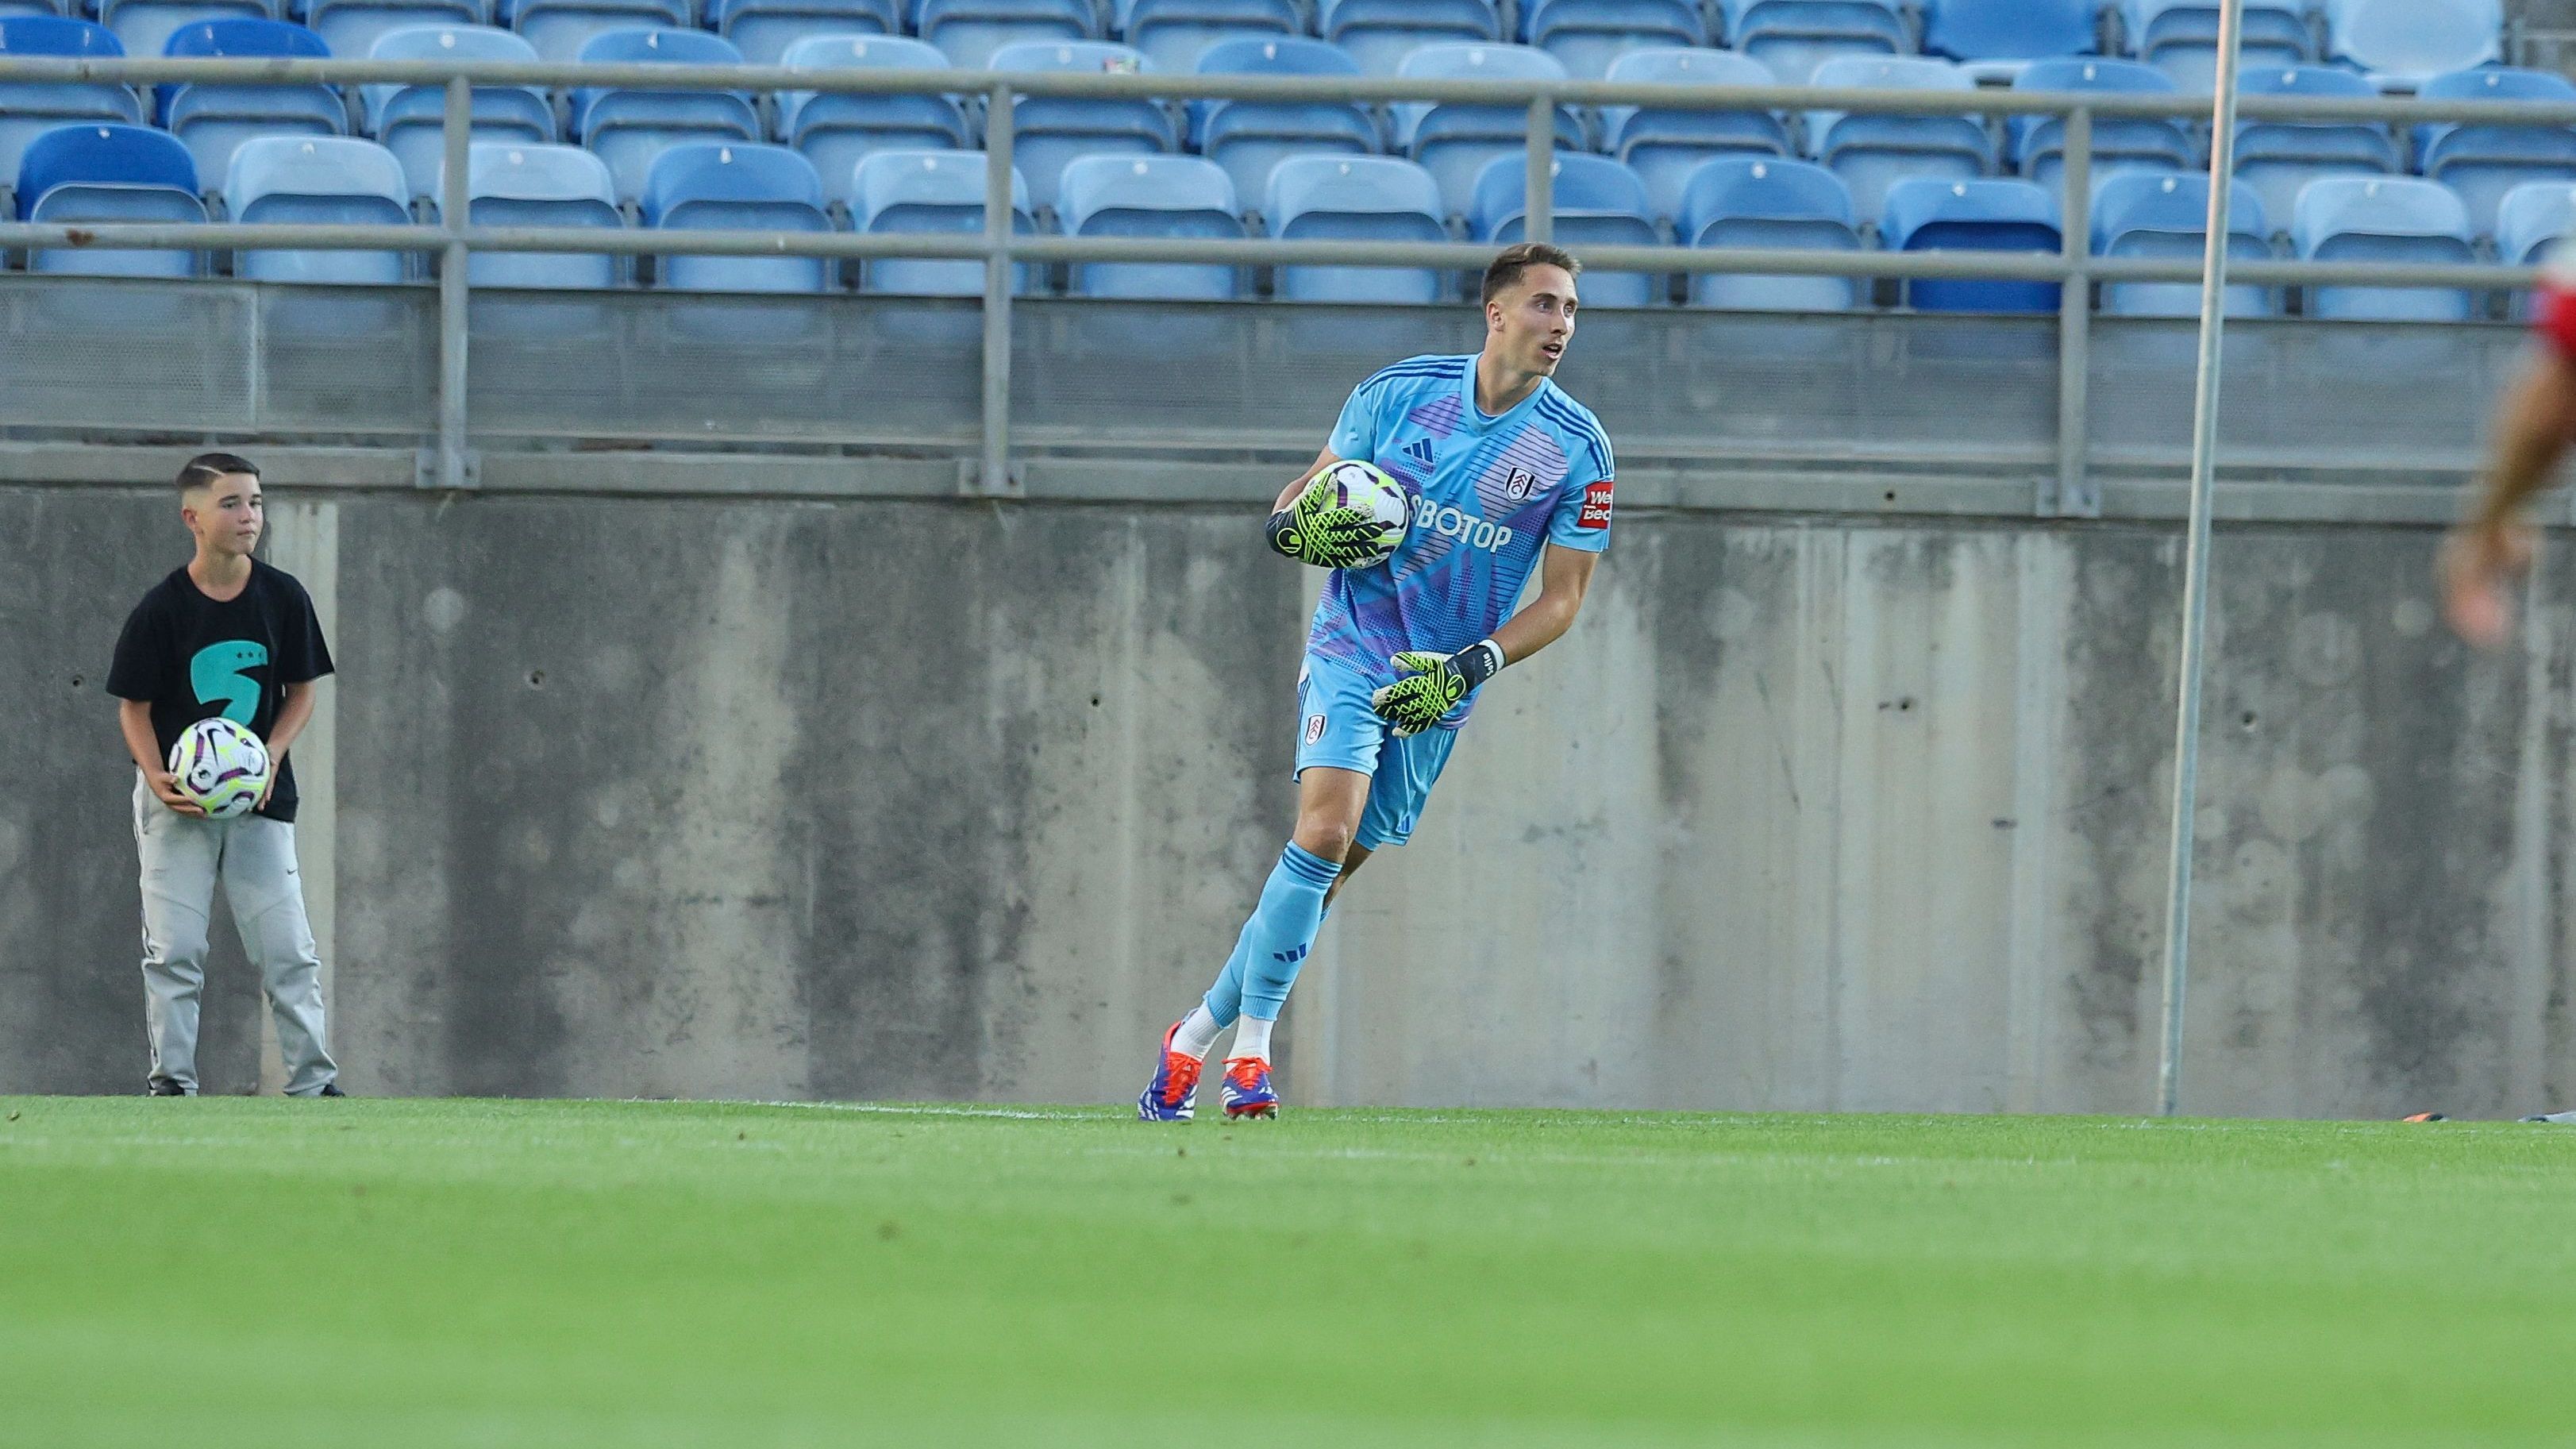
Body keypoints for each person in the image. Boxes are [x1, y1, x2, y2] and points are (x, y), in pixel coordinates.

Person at [1138, 242, 1616, 1122]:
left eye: (1571, 310)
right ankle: (1251, 1058)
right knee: (1320, 833)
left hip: (1439, 682)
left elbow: (1564, 599)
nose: (1560, 325)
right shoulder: (1399, 393)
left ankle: (1193, 1036)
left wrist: (1474, 664)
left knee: (1320, 879)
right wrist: (1287, 525)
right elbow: (1310, 490)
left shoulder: (1577, 448)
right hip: (1352, 646)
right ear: (1496, 312)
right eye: (1545, 305)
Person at [107, 453, 342, 1098]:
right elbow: (135, 707)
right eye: (233, 503)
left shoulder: (284, 596)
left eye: (257, 502)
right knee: (176, 952)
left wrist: (268, 756)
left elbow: (301, 692)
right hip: (175, 807)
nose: (250, 517)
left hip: (260, 804)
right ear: (193, 517)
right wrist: (156, 775)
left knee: (288, 950)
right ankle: (173, 1084)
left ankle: (315, 1085)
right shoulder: (161, 609)